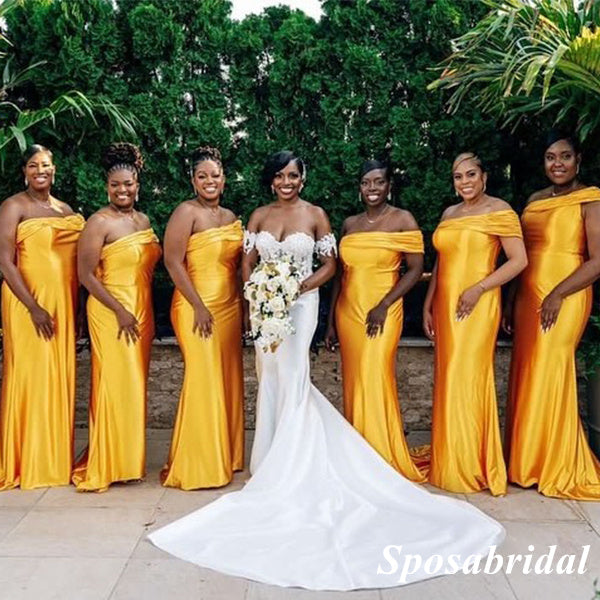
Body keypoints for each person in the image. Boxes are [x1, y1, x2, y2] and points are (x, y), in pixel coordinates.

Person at [148, 151, 504, 591]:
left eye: (293, 175)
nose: (286, 182)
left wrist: (298, 287)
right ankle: (269, 457)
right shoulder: (257, 215)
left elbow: (332, 265)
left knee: (294, 374)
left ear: (303, 178)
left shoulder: (316, 215)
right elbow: (246, 262)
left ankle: (294, 462)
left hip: (301, 305)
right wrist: (257, 291)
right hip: (265, 306)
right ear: (271, 180)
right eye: (279, 176)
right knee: (268, 376)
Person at [423, 152, 527, 496]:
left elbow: (519, 261)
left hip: (478, 305)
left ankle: (469, 465)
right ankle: (449, 459)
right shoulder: (449, 214)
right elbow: (441, 263)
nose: (465, 182)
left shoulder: (500, 210)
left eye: (471, 174)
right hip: (445, 306)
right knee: (448, 376)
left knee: (466, 376)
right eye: (458, 177)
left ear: (484, 177)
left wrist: (479, 288)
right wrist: (428, 304)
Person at [504, 131, 600, 499]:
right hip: (528, 297)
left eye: (565, 156)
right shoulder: (534, 200)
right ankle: (524, 461)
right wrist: (512, 300)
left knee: (551, 369)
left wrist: (559, 293)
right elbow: (522, 258)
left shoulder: (590, 200)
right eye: (550, 157)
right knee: (528, 371)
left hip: (567, 294)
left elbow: (597, 261)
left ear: (578, 160)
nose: (557, 164)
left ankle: (552, 462)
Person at [325, 159, 425, 481]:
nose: (372, 188)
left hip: (384, 310)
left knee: (375, 375)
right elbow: (340, 275)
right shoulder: (349, 224)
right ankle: (357, 453)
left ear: (389, 185)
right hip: (348, 312)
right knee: (355, 380)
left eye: (379, 182)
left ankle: (380, 454)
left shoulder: (402, 219)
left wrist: (384, 304)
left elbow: (415, 270)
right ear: (359, 187)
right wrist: (331, 321)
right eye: (366, 182)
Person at [72, 143, 161, 492]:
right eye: (115, 185)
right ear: (106, 187)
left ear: (137, 184)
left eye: (128, 184)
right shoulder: (99, 222)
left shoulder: (143, 221)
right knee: (114, 384)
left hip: (141, 310)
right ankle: (107, 463)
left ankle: (129, 462)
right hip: (111, 311)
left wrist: (135, 310)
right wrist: (120, 311)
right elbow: (85, 275)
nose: (122, 190)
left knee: (134, 386)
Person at [0, 144, 84, 490]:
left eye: (46, 165)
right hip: (26, 304)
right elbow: (5, 261)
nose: (40, 171)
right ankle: (27, 461)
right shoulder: (13, 206)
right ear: (24, 171)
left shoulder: (65, 210)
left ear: (54, 169)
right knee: (30, 377)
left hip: (62, 304)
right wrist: (33, 307)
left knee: (56, 378)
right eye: (33, 165)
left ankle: (53, 461)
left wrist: (78, 309)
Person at [160, 146, 244, 490]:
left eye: (215, 175)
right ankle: (200, 465)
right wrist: (197, 304)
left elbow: (237, 268)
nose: (209, 181)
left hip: (230, 308)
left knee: (227, 378)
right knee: (204, 378)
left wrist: (245, 308)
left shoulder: (231, 216)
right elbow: (172, 261)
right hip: (194, 306)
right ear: (193, 181)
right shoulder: (186, 212)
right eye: (202, 176)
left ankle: (227, 455)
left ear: (224, 179)